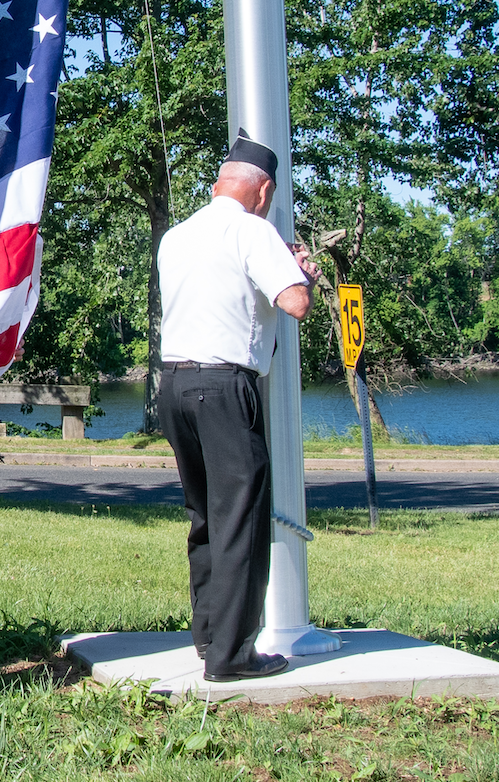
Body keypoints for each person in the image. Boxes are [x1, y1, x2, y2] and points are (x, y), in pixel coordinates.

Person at [154, 129, 320, 682]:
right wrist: (303, 276)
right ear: (264, 190)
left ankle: (208, 636)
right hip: (225, 385)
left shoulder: (176, 235)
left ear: (218, 183)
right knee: (241, 519)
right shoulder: (255, 230)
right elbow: (294, 303)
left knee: (204, 515)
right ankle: (233, 655)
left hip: (173, 385)